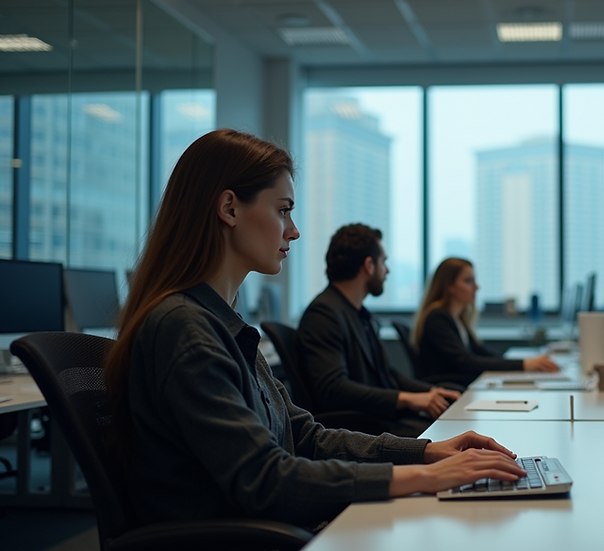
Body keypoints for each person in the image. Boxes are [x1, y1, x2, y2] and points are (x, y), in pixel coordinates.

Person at [103, 130, 525, 529]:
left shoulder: (222, 323)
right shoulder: (184, 327)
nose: (294, 229)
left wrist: (429, 453)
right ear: (229, 208)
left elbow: (304, 436)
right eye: (283, 210)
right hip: (242, 537)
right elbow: (266, 481)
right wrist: (423, 477)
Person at [298, 224, 460, 437]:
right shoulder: (324, 314)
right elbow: (333, 388)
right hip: (363, 430)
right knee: (453, 435)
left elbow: (388, 375)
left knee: (455, 427)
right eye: (384, 262)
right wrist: (409, 399)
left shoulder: (359, 315)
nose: (388, 270)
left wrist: (429, 392)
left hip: (382, 420)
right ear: (369, 265)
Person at [413, 258, 560, 387]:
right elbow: (467, 362)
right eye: (468, 281)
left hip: (461, 383)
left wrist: (524, 363)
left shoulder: (457, 317)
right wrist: (524, 364)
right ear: (449, 286)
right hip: (449, 388)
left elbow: (481, 352)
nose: (476, 287)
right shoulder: (437, 318)